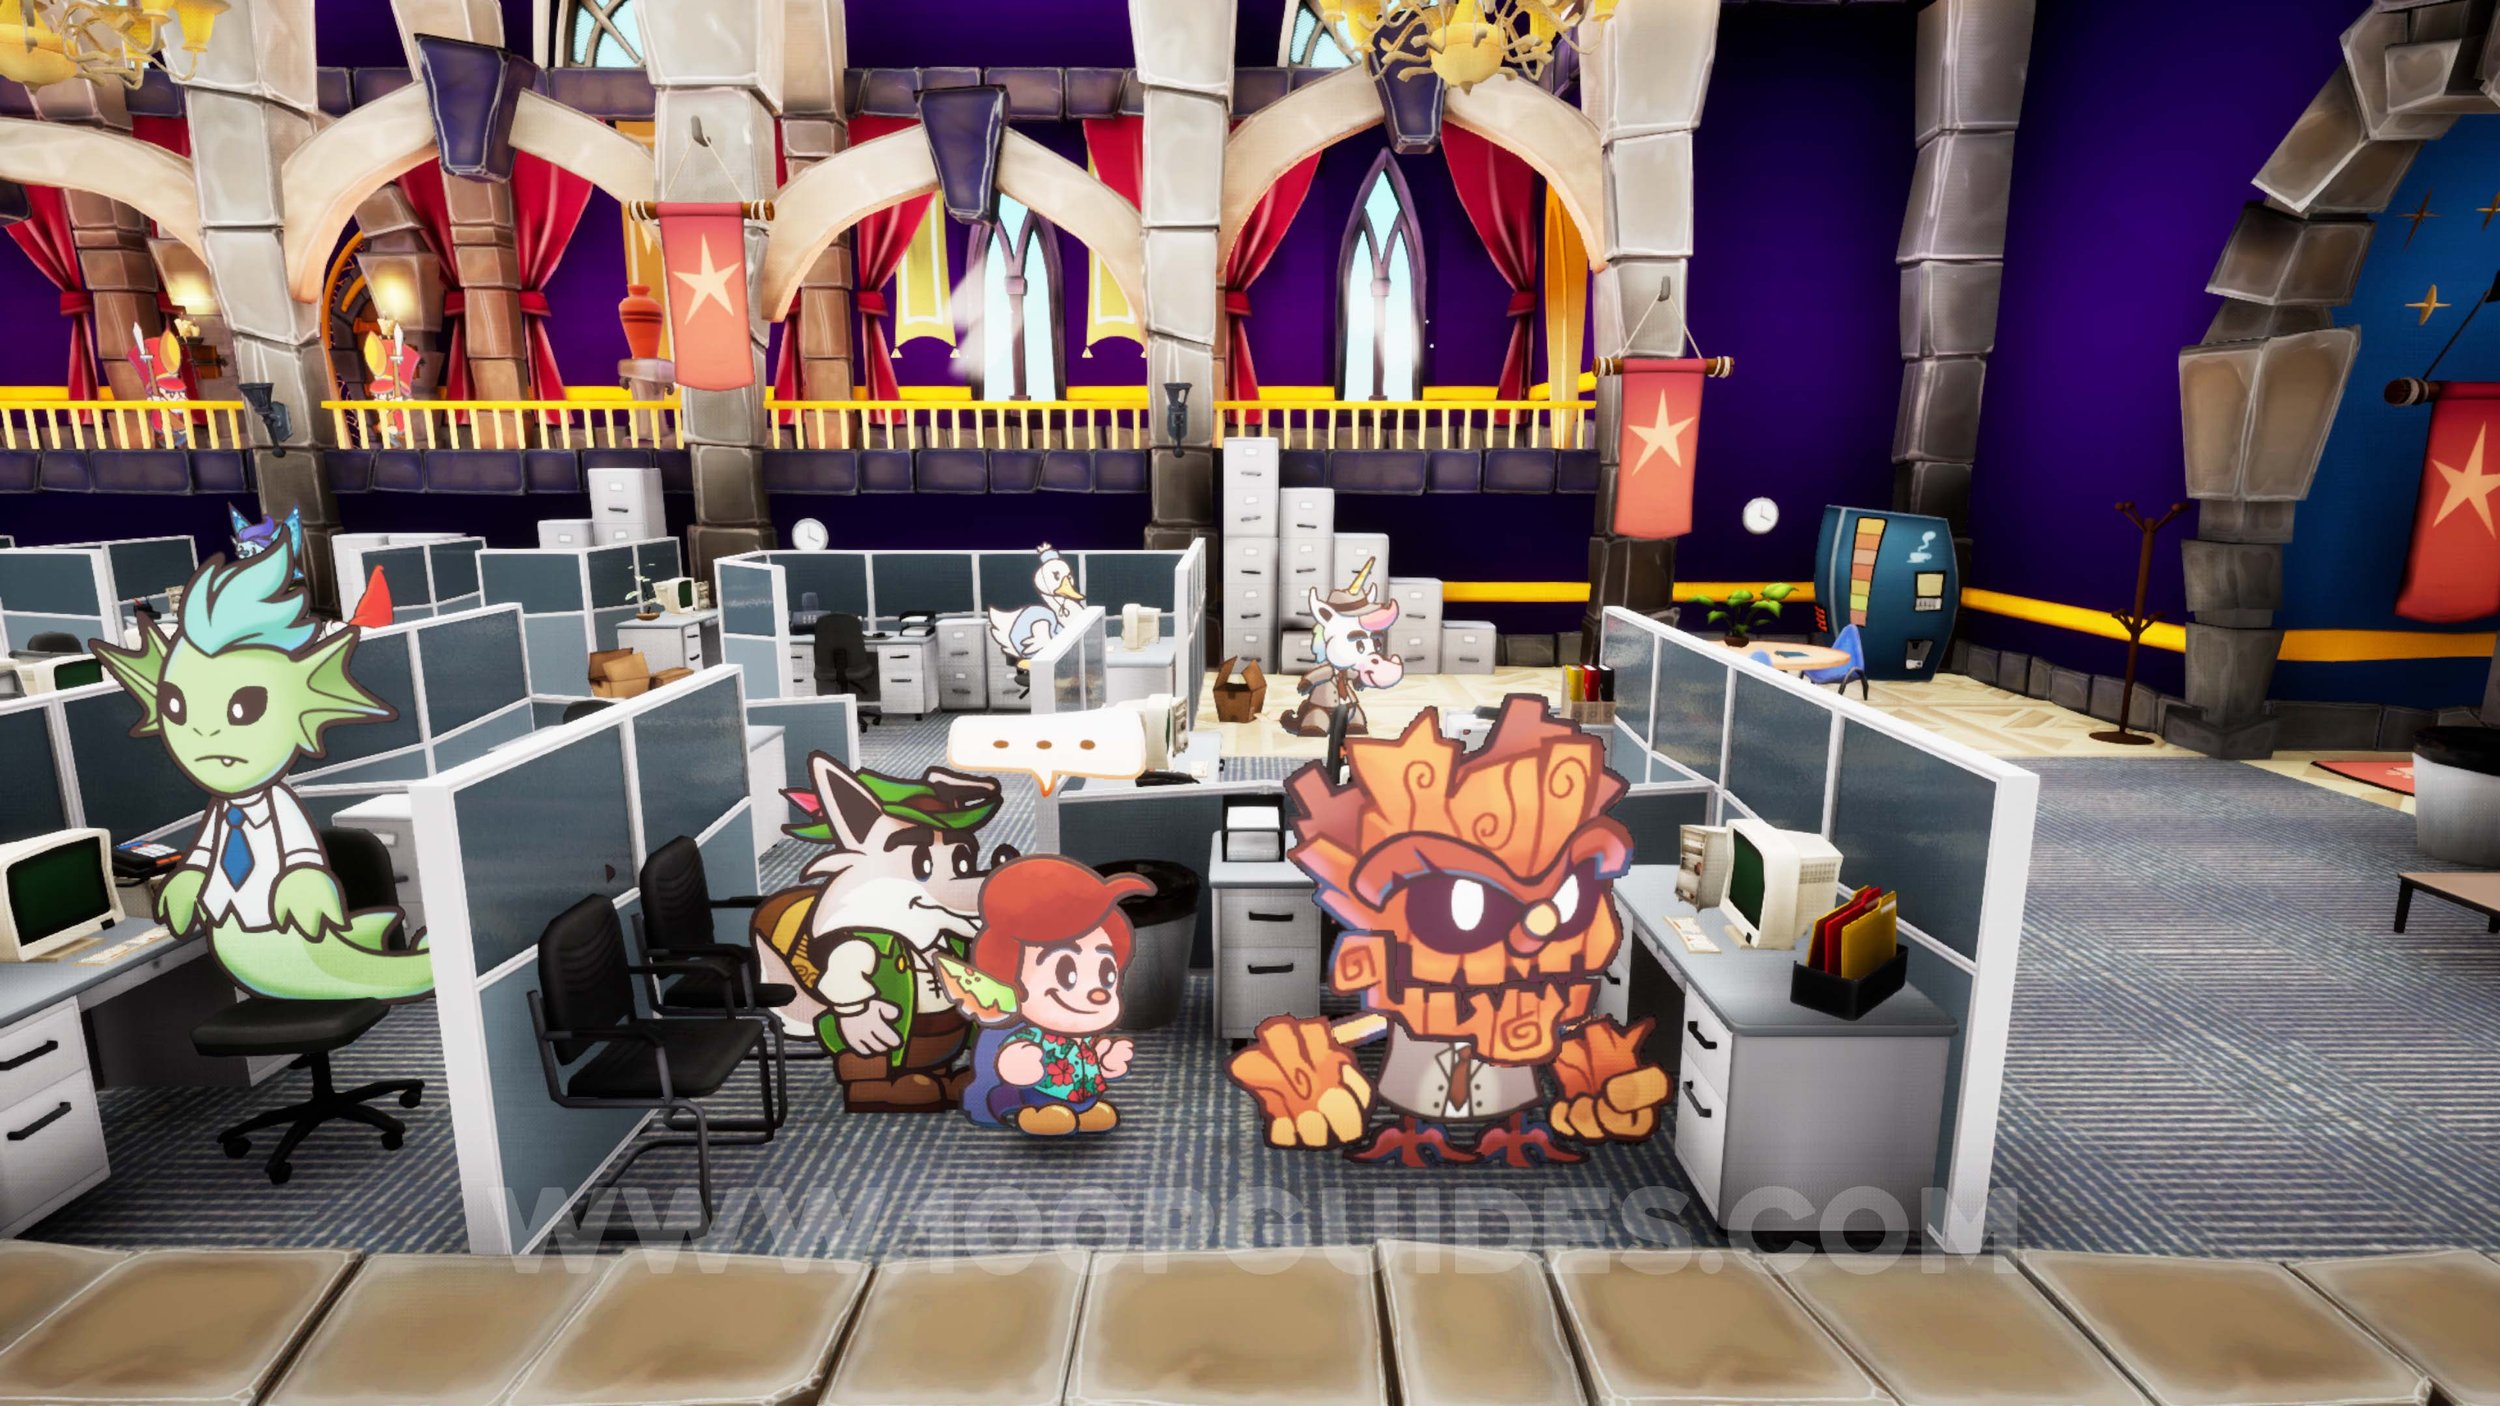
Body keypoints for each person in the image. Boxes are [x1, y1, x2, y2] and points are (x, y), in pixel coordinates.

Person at [958, 855, 1149, 1136]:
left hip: (1084, 1094)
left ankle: (1084, 1110)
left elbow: (1089, 1058)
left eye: (1107, 973)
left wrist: (1106, 1060)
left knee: (1091, 1110)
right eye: (1067, 973)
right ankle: (1035, 1112)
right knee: (1045, 1105)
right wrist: (1015, 1064)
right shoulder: (1031, 1035)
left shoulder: (1084, 1035)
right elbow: (1008, 1060)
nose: (1097, 992)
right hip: (1042, 1096)